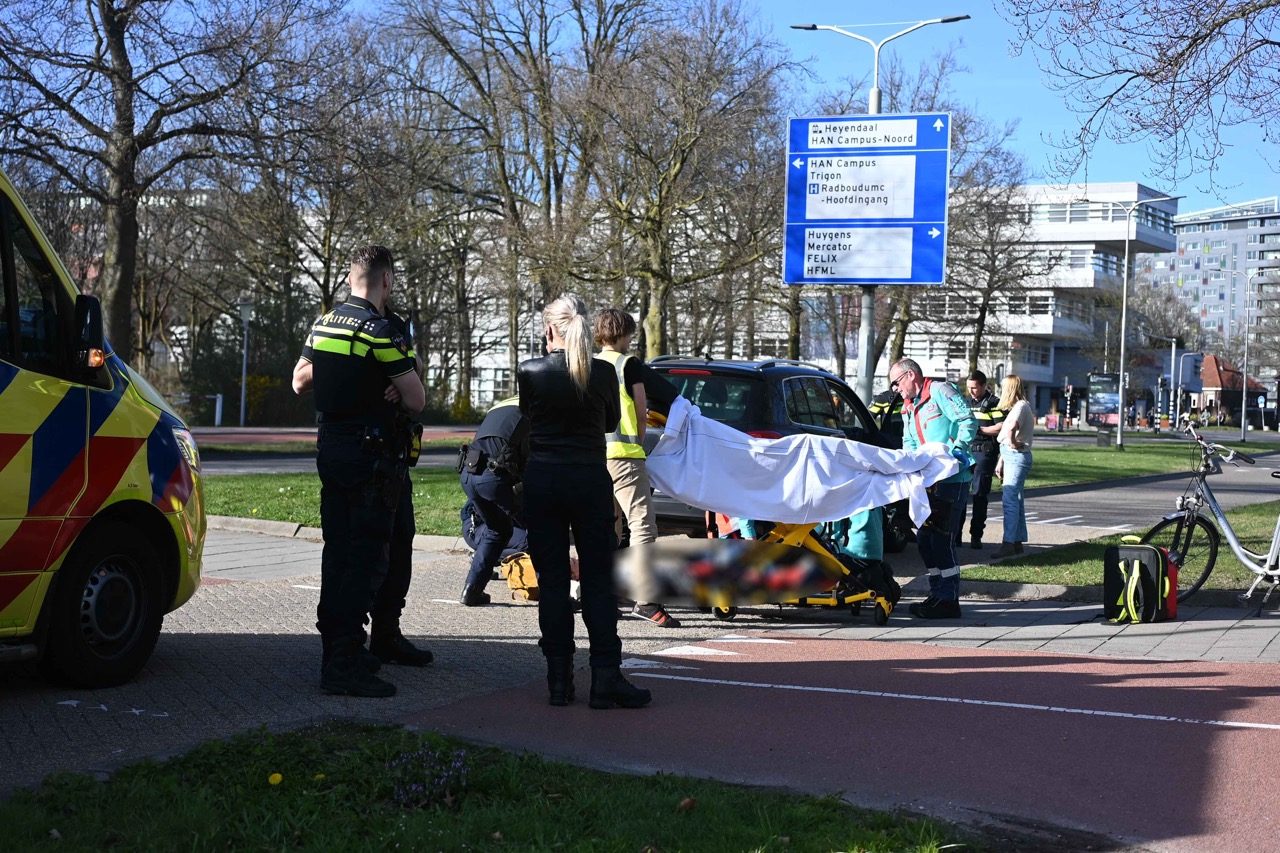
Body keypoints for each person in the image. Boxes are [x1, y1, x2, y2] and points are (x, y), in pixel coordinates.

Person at [291, 245, 428, 698]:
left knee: (352, 548)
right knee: (363, 556)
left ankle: (371, 642)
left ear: (352, 277)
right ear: (386, 280)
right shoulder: (379, 330)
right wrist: (380, 375)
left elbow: (300, 378)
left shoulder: (325, 323)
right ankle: (343, 661)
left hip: (334, 447)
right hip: (371, 456)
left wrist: (348, 370)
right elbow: (416, 399)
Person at [518, 294, 651, 710]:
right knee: (597, 581)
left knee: (554, 582)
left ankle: (558, 682)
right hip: (589, 481)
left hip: (543, 482)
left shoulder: (531, 371)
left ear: (549, 330)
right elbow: (610, 421)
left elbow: (529, 418)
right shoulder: (601, 373)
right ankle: (605, 679)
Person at [594, 307, 679, 628]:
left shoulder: (588, 364)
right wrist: (639, 444)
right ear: (625, 334)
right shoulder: (628, 365)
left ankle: (605, 593)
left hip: (594, 455)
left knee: (607, 528)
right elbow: (641, 412)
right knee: (642, 526)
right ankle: (645, 600)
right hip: (625, 455)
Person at [888, 358, 977, 619]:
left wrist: (956, 451)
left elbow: (967, 420)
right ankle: (938, 594)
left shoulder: (940, 391)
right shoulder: (908, 407)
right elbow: (909, 443)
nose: (895, 389)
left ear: (911, 375)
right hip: (928, 481)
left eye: (896, 382)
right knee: (926, 540)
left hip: (952, 479)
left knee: (941, 538)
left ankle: (949, 600)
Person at [458, 396, 529, 606]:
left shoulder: (502, 404)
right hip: (494, 477)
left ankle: (472, 591)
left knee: (497, 530)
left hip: (468, 474)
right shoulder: (536, 407)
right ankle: (556, 598)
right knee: (543, 531)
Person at [954, 370, 1005, 550]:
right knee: (960, 493)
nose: (972, 392)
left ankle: (976, 536)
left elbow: (1001, 427)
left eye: (975, 388)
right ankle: (956, 535)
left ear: (984, 386)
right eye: (969, 388)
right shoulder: (966, 403)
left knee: (979, 495)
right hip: (967, 452)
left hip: (984, 452)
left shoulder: (994, 403)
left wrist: (980, 430)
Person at [993, 375, 1035, 558]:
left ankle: (1008, 542)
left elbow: (1010, 429)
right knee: (1016, 499)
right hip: (1013, 456)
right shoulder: (1022, 406)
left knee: (1009, 499)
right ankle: (1016, 541)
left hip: (1016, 455)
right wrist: (1002, 459)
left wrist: (1012, 444)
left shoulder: (1020, 407)